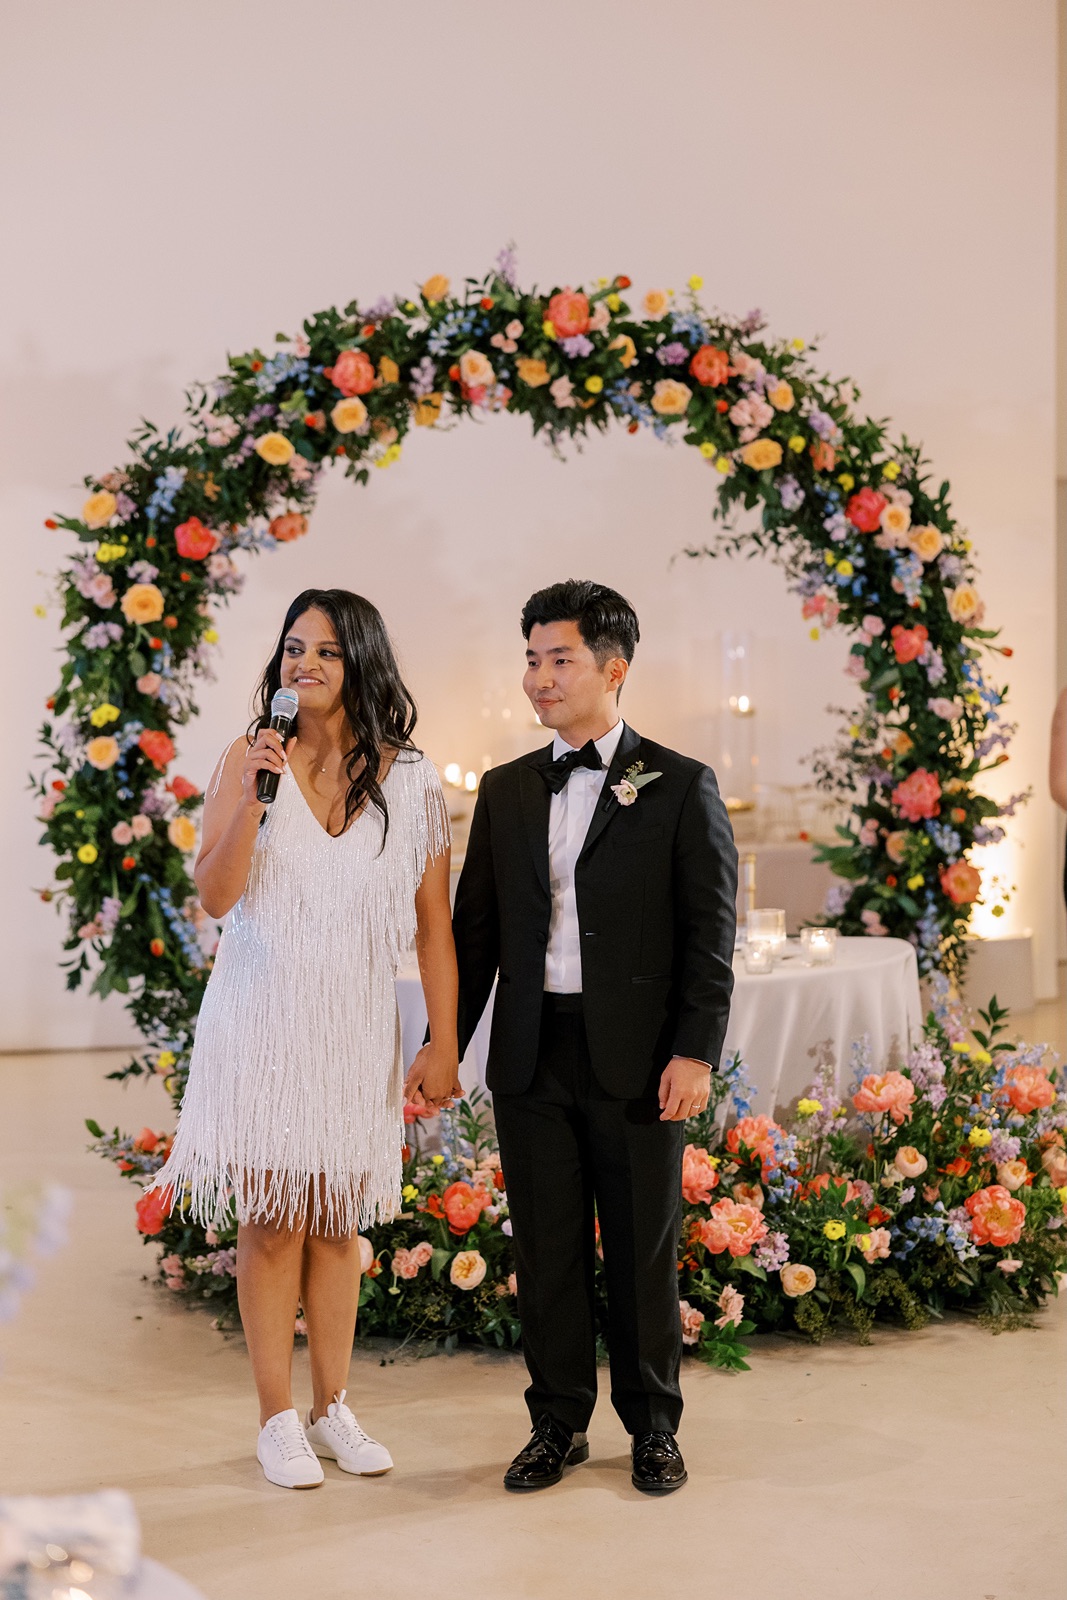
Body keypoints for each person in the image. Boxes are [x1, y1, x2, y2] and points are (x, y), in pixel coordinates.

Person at [151, 588, 460, 1489]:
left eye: (326, 650)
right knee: (276, 1218)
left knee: (336, 1223)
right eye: (293, 649)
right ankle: (276, 1419)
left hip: (355, 1024)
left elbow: (434, 927)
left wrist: (442, 1038)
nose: (305, 665)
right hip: (261, 1018)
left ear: (361, 660)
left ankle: (333, 1408)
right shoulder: (247, 762)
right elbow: (213, 896)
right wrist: (254, 795)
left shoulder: (412, 780)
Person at [450, 579, 737, 1495]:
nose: (539, 677)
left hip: (640, 1059)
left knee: (643, 1246)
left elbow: (708, 935)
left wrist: (692, 1052)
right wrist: (443, 1045)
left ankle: (653, 1426)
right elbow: (477, 936)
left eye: (559, 658)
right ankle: (556, 1422)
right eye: (531, 658)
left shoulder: (680, 784)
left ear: (614, 668)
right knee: (547, 1246)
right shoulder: (505, 790)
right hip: (533, 1051)